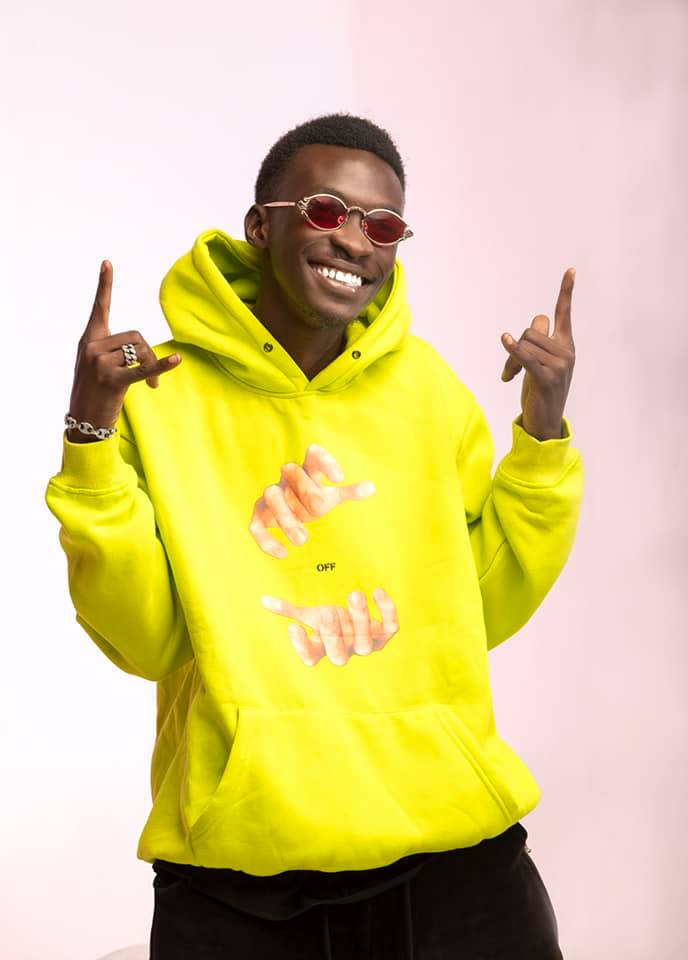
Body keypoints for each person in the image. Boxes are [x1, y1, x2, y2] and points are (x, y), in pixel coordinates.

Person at [45, 112, 583, 959]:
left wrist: (543, 434)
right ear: (262, 226)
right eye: (328, 211)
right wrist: (90, 434)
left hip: (456, 865)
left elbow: (481, 605)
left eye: (384, 226)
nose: (356, 242)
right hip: (242, 878)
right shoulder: (160, 397)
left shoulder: (428, 392)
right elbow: (144, 639)